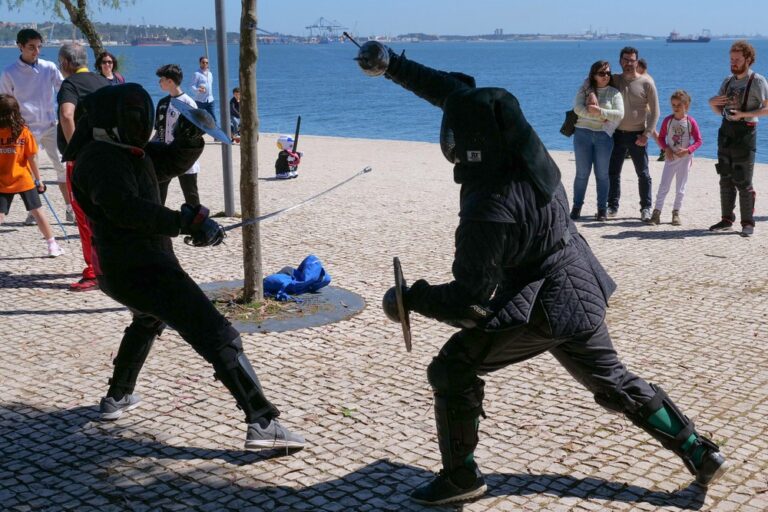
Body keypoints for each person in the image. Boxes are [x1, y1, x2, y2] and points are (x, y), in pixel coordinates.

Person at [355, 42, 728, 507]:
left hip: (542, 306)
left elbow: (470, 302)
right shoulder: (527, 150)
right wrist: (393, 65)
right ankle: (698, 450)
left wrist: (410, 299)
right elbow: (458, 93)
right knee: (613, 379)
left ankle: (460, 477)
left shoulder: (488, 207)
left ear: (465, 144)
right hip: (579, 282)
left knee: (452, 368)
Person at [66, 83, 305, 450]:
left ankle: (118, 396)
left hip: (129, 268)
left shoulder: (129, 152)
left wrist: (191, 135)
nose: (139, 122)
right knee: (217, 334)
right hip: (141, 268)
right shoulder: (99, 160)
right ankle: (263, 422)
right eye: (132, 115)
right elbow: (125, 209)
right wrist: (185, 222)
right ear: (111, 120)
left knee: (147, 319)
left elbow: (169, 161)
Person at [0, 28, 72, 224]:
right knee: (29, 171)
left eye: (39, 47)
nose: (36, 51)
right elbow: (5, 101)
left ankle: (69, 208)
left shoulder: (48, 67)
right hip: (24, 129)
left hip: (49, 125)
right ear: (20, 46)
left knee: (62, 167)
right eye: (31, 47)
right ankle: (34, 210)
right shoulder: (9, 72)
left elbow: (63, 89)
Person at [57, 42, 110, 291]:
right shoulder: (102, 81)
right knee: (104, 212)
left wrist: (74, 150)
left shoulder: (70, 85)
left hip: (83, 160)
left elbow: (67, 115)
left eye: (60, 62)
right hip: (106, 155)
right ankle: (109, 265)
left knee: (84, 214)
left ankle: (94, 271)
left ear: (67, 63)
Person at [708, 40, 768, 237]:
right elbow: (719, 110)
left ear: (748, 59)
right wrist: (711, 103)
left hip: (746, 133)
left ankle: (748, 223)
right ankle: (726, 219)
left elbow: (767, 109)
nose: (733, 63)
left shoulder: (757, 81)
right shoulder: (727, 81)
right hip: (726, 132)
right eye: (731, 59)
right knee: (725, 177)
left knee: (743, 179)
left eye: (737, 59)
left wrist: (743, 115)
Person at [0, 94, 63, 257]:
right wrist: (39, 179)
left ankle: (52, 245)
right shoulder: (23, 131)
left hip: (2, 181)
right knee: (38, 211)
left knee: (0, 214)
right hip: (24, 179)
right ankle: (52, 245)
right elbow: (31, 157)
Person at [607, 47, 659, 223]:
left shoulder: (646, 83)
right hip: (616, 134)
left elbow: (655, 112)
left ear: (637, 62)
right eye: (626, 60)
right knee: (613, 172)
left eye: (632, 60)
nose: (629, 63)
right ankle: (612, 206)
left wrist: (647, 134)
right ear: (620, 61)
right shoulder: (614, 79)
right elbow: (593, 83)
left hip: (638, 135)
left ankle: (646, 207)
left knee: (643, 173)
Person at [571, 60, 623, 221]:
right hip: (582, 134)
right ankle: (576, 207)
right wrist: (597, 115)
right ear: (594, 75)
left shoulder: (615, 93)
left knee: (602, 174)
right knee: (582, 173)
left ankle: (602, 209)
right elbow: (577, 109)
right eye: (602, 73)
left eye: (608, 73)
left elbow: (620, 114)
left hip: (603, 137)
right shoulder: (585, 90)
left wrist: (599, 111)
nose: (606, 76)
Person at [650, 91, 702, 226]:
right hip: (670, 158)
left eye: (679, 105)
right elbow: (661, 138)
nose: (676, 107)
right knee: (664, 186)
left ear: (686, 105)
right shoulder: (668, 120)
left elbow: (698, 141)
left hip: (685, 159)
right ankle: (656, 212)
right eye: (673, 105)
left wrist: (688, 150)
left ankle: (676, 212)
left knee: (680, 187)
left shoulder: (690, 121)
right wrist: (666, 149)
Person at [152, 64, 201, 207]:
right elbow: (158, 131)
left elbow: (194, 133)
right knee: (158, 193)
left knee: (190, 194)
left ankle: (196, 225)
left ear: (170, 81)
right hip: (164, 156)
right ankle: (158, 224)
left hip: (184, 157)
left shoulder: (188, 103)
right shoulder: (162, 103)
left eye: (161, 79)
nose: (159, 82)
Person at [191, 56, 215, 122]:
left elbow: (210, 85)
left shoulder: (210, 74)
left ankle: (213, 132)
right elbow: (192, 86)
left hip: (210, 100)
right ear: (200, 63)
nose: (205, 64)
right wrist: (198, 89)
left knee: (213, 119)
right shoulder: (196, 74)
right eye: (203, 62)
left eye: (207, 63)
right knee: (197, 119)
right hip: (200, 101)